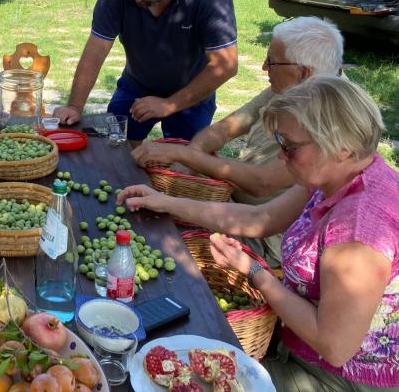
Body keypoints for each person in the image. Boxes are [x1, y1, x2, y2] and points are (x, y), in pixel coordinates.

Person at [118, 76, 399, 390]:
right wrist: (166, 202)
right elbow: (261, 217)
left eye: (290, 147)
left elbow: (334, 346)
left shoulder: (358, 229)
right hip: (294, 345)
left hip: (335, 377)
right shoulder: (335, 176)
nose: (281, 155)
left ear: (342, 149)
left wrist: (254, 272)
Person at [131, 16, 345, 266]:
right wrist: (193, 154)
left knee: (162, 236)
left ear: (303, 73)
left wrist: (184, 156)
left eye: (272, 62)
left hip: (270, 237)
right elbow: (224, 129)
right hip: (241, 208)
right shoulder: (294, 87)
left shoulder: (332, 120)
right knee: (150, 208)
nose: (265, 67)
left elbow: (262, 184)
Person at [53, 0, 238, 145]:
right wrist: (74, 107)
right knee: (117, 149)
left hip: (192, 90)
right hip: (137, 84)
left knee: (184, 164)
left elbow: (226, 65)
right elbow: (97, 46)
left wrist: (169, 104)